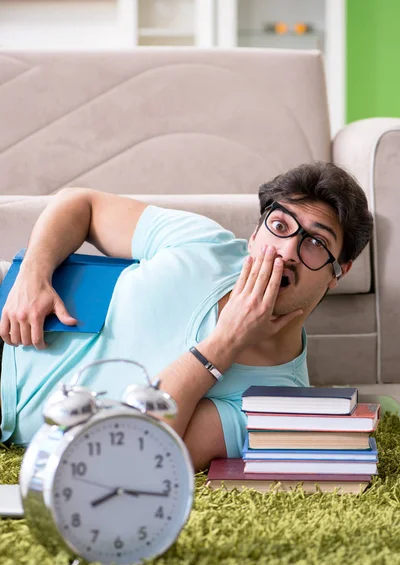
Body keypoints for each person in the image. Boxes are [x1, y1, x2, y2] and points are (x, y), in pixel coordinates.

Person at [0, 161, 373, 470]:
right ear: (257, 231)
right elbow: (80, 204)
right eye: (279, 226)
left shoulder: (279, 400)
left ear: (339, 272)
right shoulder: (201, 243)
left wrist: (225, 342)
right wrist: (34, 273)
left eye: (315, 243)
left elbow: (137, 451)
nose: (286, 251)